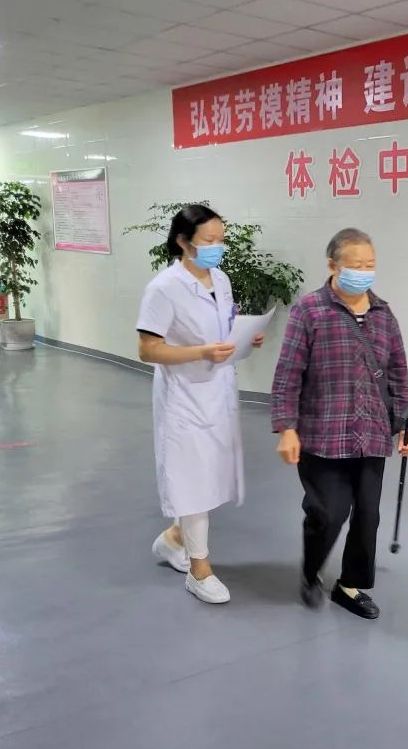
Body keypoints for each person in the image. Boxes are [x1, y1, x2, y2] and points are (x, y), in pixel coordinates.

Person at [271, 228, 408, 620]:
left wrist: (406, 424)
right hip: (323, 434)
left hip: (372, 433)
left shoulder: (384, 315)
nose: (364, 272)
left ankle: (349, 585)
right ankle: (310, 571)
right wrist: (286, 427)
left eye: (370, 265)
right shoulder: (309, 310)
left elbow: (398, 374)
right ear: (333, 266)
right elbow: (288, 374)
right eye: (356, 265)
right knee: (328, 513)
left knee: (368, 515)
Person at [137, 204, 263, 605]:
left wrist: (245, 336)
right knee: (192, 481)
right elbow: (148, 349)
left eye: (221, 240)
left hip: (217, 392)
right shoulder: (164, 288)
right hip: (184, 398)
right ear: (183, 242)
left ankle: (174, 538)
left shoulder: (220, 279)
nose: (217, 248)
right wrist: (201, 352)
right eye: (209, 241)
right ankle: (199, 570)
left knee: (210, 476)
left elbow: (222, 328)